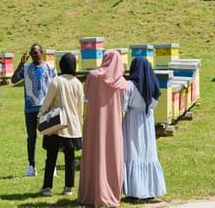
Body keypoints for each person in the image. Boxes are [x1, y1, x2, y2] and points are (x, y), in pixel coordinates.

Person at [78, 50, 128, 207]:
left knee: (94, 152)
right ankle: (110, 192)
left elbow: (86, 93)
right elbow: (124, 102)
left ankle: (92, 193)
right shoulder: (121, 82)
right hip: (113, 124)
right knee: (111, 154)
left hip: (94, 121)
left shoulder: (93, 76)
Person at [37, 53, 84, 197]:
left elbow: (47, 102)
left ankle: (47, 188)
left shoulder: (56, 81)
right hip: (72, 125)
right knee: (69, 158)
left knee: (51, 156)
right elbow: (80, 107)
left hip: (56, 125)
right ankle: (68, 187)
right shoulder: (77, 83)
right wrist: (79, 124)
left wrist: (40, 115)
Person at [122, 57, 167, 201]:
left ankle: (134, 192)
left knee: (133, 152)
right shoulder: (153, 85)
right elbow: (153, 104)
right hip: (147, 120)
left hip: (132, 121)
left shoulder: (130, 85)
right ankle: (149, 191)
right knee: (148, 153)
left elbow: (123, 106)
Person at [11, 43, 57, 177]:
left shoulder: (50, 67)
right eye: (31, 53)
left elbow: (56, 86)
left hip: (46, 108)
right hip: (30, 108)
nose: (33, 55)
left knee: (50, 136)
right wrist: (20, 64)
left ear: (41, 52)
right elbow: (13, 80)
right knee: (31, 137)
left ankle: (51, 165)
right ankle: (31, 165)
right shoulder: (26, 68)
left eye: (35, 53)